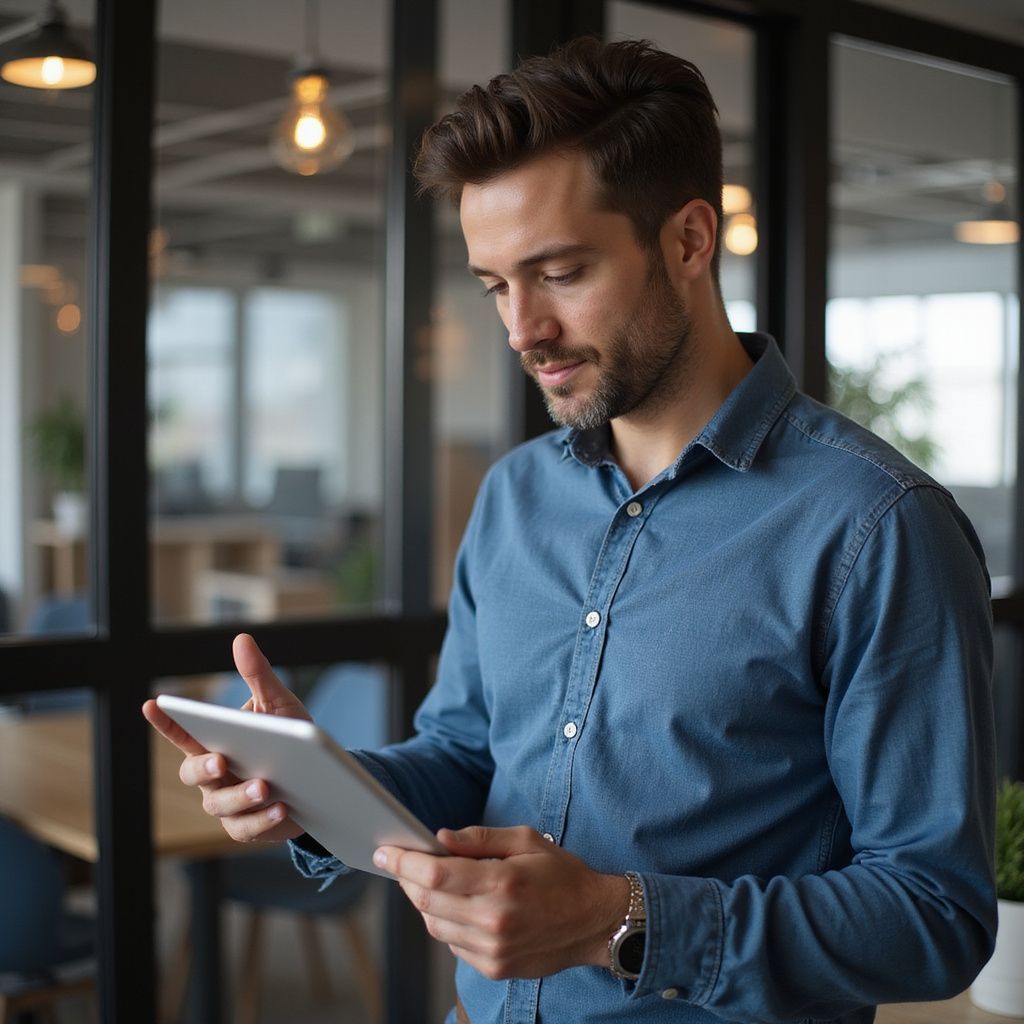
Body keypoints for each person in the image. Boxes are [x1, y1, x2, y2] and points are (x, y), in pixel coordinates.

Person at [144, 37, 997, 1024]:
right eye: (495, 284)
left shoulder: (876, 528)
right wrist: (317, 786)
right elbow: (468, 752)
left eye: (558, 272)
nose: (521, 329)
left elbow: (935, 914)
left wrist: (615, 922)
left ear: (686, 241)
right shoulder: (515, 498)